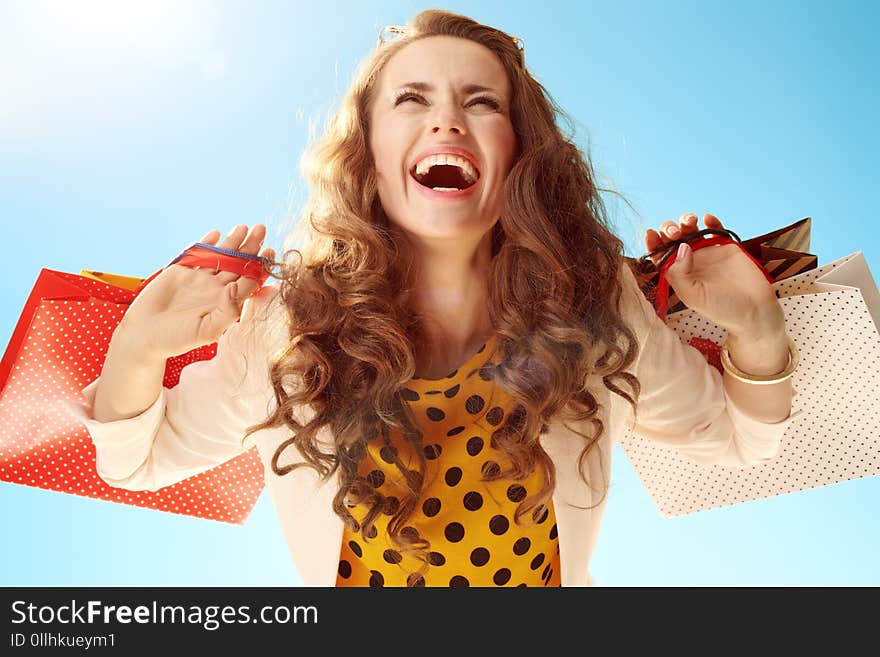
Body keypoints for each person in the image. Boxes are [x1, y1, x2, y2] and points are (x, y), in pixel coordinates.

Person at [70, 10, 801, 587]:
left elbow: (740, 439)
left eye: (481, 102)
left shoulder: (594, 303)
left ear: (519, 150)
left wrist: (759, 325)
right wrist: (137, 344)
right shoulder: (286, 326)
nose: (446, 120)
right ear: (369, 152)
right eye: (411, 99)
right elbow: (138, 462)